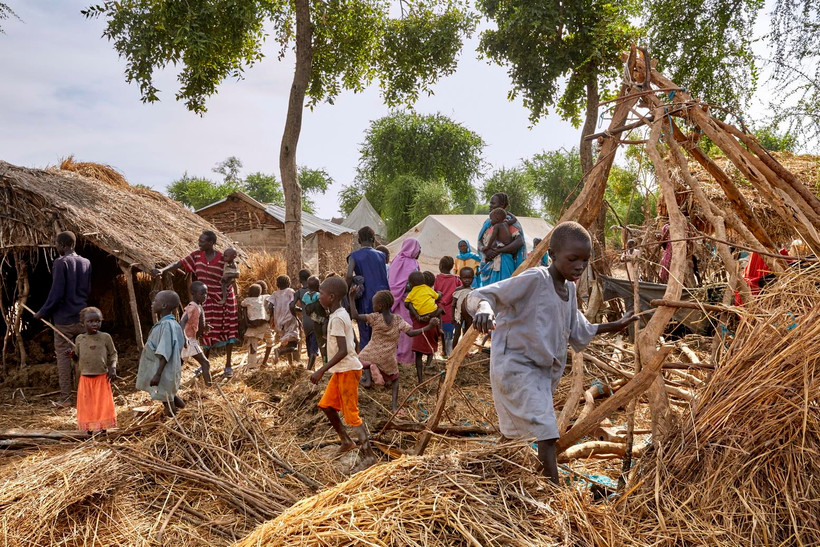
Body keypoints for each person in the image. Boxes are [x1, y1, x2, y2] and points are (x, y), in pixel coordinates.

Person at [468, 222, 637, 483]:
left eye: (584, 260)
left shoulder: (568, 290)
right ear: (552, 254)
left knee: (516, 433)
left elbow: (579, 329)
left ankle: (488, 470)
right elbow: (485, 295)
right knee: (547, 432)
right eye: (572, 259)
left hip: (541, 374)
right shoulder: (535, 279)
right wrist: (484, 310)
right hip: (517, 367)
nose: (580, 266)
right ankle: (553, 494)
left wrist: (617, 324)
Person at [309, 276, 377, 469]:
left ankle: (369, 455)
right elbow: (353, 343)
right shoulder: (339, 313)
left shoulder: (338, 317)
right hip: (342, 370)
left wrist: (321, 370)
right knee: (326, 406)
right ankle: (346, 442)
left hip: (347, 371)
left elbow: (343, 350)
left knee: (351, 415)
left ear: (331, 297)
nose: (318, 297)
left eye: (321, 294)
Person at [151, 231, 239, 378]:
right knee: (205, 330)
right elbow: (179, 263)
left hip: (224, 299)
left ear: (211, 243)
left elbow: (233, 272)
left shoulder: (222, 258)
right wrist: (162, 270)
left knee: (228, 329)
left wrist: (227, 287)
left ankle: (228, 365)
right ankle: (204, 363)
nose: (199, 243)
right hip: (206, 299)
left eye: (202, 241)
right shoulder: (196, 256)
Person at [350, 288, 440, 410]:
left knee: (359, 361)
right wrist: (429, 326)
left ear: (380, 306)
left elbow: (355, 315)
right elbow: (412, 333)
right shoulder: (398, 320)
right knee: (395, 380)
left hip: (370, 353)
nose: (373, 306)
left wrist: (351, 298)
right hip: (388, 357)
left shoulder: (374, 317)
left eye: (374, 304)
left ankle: (367, 379)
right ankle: (394, 407)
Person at [34, 231, 91, 406]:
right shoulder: (86, 262)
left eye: (57, 244)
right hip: (82, 318)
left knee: (64, 358)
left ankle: (66, 398)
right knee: (84, 356)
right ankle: (86, 397)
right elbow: (87, 290)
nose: (56, 247)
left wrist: (42, 312)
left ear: (64, 245)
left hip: (63, 320)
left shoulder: (60, 263)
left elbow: (57, 293)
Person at [136, 290, 186, 416]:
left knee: (167, 401)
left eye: (156, 301)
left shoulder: (167, 325)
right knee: (170, 396)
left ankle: (174, 423)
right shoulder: (172, 324)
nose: (152, 303)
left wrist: (157, 374)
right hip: (167, 368)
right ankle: (188, 413)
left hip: (163, 370)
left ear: (164, 305)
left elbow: (165, 350)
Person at [70, 307, 117, 433]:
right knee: (87, 404)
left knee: (102, 404)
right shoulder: (80, 339)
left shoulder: (105, 337)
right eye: (90, 321)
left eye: (98, 321)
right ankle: (90, 428)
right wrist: (72, 355)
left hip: (101, 376)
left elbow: (113, 354)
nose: (94, 324)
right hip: (85, 377)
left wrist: (113, 367)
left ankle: (103, 428)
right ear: (83, 323)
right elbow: (77, 358)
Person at [347, 226, 390, 350]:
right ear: (373, 239)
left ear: (359, 241)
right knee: (382, 329)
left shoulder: (354, 256)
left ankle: (367, 364)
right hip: (383, 297)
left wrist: (347, 292)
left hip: (365, 298)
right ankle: (381, 363)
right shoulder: (382, 255)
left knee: (365, 330)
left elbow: (349, 275)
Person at [477, 193, 526, 286]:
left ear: (501, 206)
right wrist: (485, 250)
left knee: (504, 294)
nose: (490, 206)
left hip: (504, 262)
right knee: (488, 296)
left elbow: (519, 241)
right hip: (488, 264)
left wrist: (498, 251)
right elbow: (480, 241)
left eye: (493, 203)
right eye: (490, 203)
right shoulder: (488, 223)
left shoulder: (507, 222)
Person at [388, 238, 421, 366]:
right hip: (404, 300)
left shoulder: (404, 261)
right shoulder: (406, 262)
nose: (419, 252)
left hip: (403, 300)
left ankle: (402, 357)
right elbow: (398, 283)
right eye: (418, 249)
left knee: (402, 328)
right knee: (403, 327)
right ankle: (402, 357)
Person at [405, 270, 442, 383]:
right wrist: (440, 293)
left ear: (411, 284)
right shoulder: (428, 290)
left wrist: (417, 314)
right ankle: (429, 365)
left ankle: (420, 380)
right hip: (432, 318)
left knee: (418, 354)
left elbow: (406, 304)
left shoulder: (412, 293)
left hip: (419, 326)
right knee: (431, 347)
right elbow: (437, 297)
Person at [180, 281, 212, 386]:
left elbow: (198, 323)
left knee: (177, 366)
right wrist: (184, 337)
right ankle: (209, 387)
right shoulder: (192, 306)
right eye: (202, 293)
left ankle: (169, 387)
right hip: (188, 340)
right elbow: (182, 321)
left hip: (190, 339)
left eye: (206, 293)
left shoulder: (198, 306)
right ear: (193, 293)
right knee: (205, 363)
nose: (205, 296)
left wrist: (205, 327)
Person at [267, 275, 299, 364]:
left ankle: (291, 364)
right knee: (294, 342)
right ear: (289, 284)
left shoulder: (274, 294)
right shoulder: (290, 291)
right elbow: (293, 304)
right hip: (289, 319)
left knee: (286, 342)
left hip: (279, 321)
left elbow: (270, 306)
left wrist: (272, 317)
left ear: (277, 285)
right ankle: (279, 352)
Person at [434, 256, 461, 357]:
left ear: (440, 266)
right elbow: (460, 290)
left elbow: (434, 292)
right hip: (451, 311)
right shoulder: (456, 279)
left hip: (439, 310)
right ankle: (449, 353)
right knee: (449, 334)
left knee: (441, 330)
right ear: (452, 267)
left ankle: (444, 351)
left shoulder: (437, 278)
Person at [241, 283, 269, 369]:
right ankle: (264, 361)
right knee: (270, 340)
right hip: (263, 321)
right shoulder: (261, 299)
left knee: (253, 345)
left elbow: (242, 304)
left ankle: (251, 365)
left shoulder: (247, 300)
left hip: (252, 323)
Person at [296, 276, 321, 370]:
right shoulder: (318, 295)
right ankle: (309, 369)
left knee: (309, 343)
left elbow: (303, 306)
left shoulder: (305, 295)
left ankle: (312, 368)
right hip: (315, 321)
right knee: (315, 348)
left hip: (306, 322)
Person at [451, 266, 475, 348]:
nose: (467, 280)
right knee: (457, 334)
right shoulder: (458, 290)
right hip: (459, 316)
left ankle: (465, 351)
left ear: (473, 278)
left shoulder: (473, 291)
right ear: (460, 278)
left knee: (467, 333)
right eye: (465, 278)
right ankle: (453, 352)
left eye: (469, 278)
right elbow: (453, 305)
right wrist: (452, 317)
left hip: (469, 316)